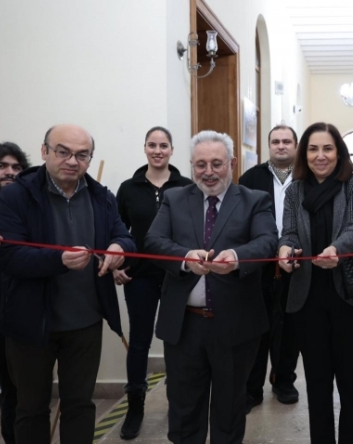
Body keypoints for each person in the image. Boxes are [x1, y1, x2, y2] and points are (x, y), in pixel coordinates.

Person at [0, 124, 136, 443]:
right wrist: (57, 261)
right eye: (63, 151)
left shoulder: (101, 196)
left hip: (84, 323)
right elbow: (9, 256)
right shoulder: (18, 194)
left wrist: (119, 249)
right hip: (30, 322)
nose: (72, 160)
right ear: (45, 152)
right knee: (30, 408)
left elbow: (124, 236)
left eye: (82, 154)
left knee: (80, 406)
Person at [145, 130, 278, 444]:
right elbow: (153, 241)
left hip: (236, 325)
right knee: (183, 409)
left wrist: (235, 257)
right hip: (184, 326)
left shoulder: (254, 200)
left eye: (216, 163)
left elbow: (267, 242)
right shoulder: (174, 198)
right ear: (191, 165)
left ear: (231, 163)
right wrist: (184, 257)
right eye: (200, 164)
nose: (208, 172)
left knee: (230, 410)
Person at [278, 122, 353, 444]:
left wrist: (338, 249)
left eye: (328, 148)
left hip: (350, 299)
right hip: (307, 299)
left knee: (351, 384)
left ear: (339, 152)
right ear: (303, 154)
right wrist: (285, 249)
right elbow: (289, 232)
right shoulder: (295, 190)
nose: (320, 156)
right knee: (317, 384)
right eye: (313, 149)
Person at [114, 126, 192, 439]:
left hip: (176, 275)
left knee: (178, 339)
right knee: (141, 341)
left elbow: (192, 231)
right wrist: (118, 264)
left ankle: (180, 404)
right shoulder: (128, 188)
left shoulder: (186, 187)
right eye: (152, 145)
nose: (157, 150)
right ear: (145, 148)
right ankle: (135, 405)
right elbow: (117, 232)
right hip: (139, 275)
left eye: (163, 145)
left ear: (172, 150)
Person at [239, 125, 301, 412]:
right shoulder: (251, 178)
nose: (281, 146)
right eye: (275, 141)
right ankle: (252, 387)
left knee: (289, 328)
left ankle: (284, 380)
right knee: (256, 328)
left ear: (296, 145)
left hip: (296, 264)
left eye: (286, 141)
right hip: (259, 267)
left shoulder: (306, 177)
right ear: (268, 145)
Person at [0, 142, 29, 444]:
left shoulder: (27, 211)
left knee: (20, 400)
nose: (9, 172)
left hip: (20, 320)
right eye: (2, 166)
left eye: (16, 167)